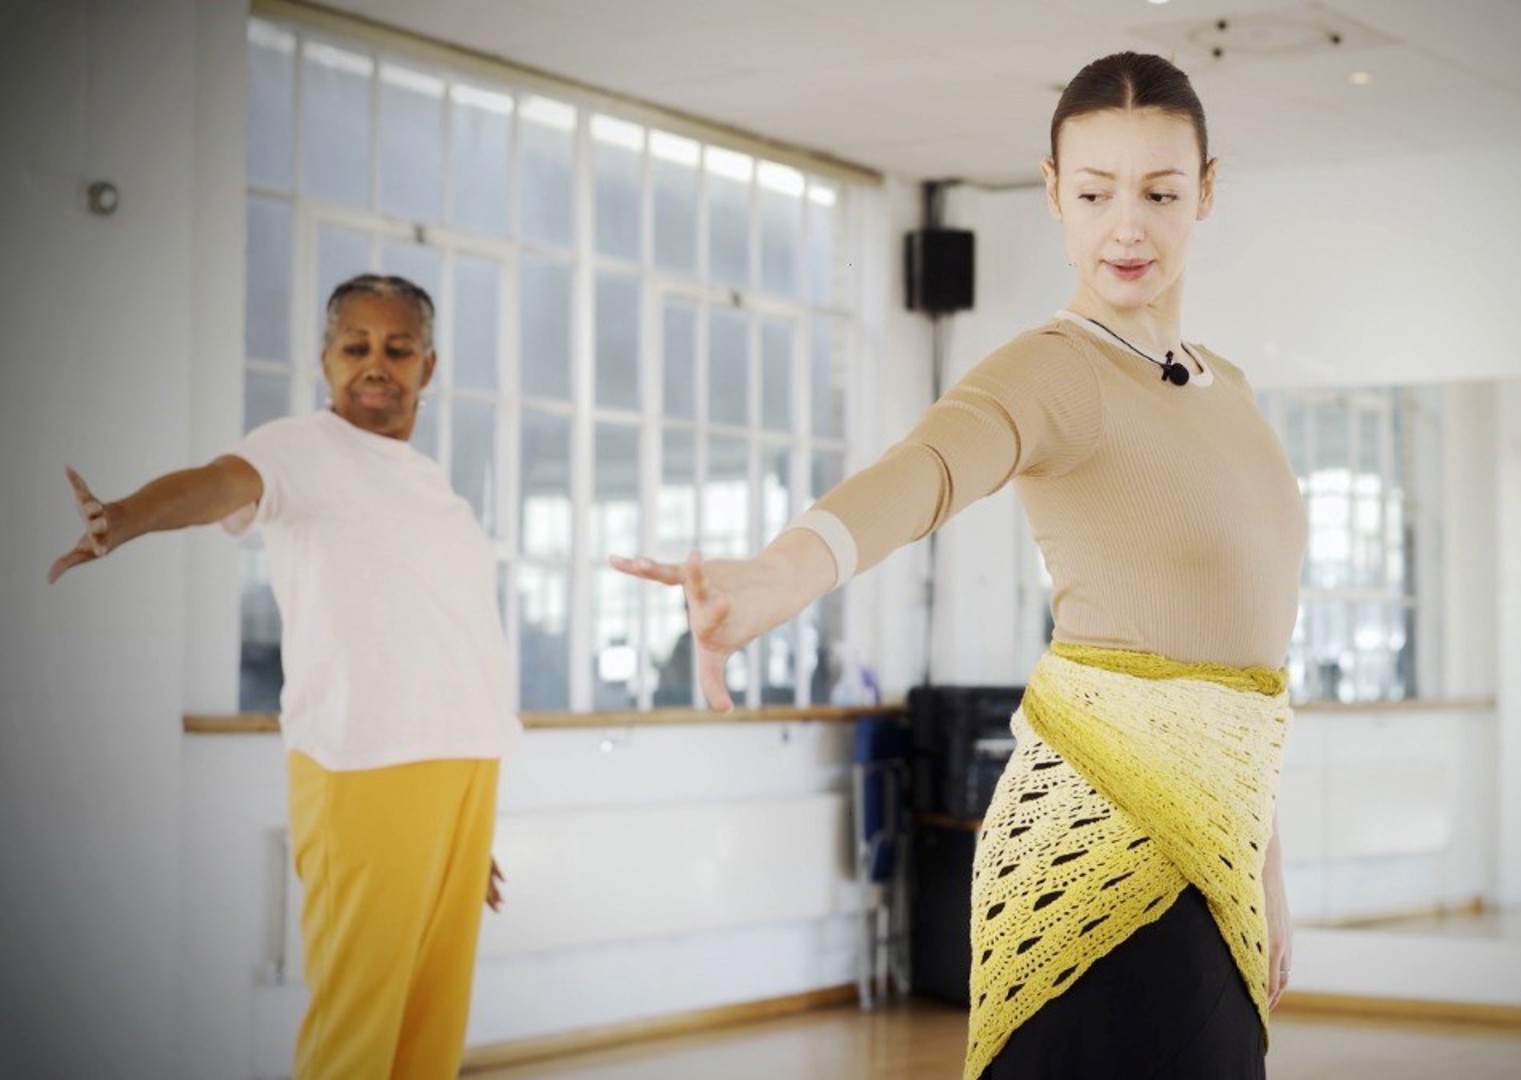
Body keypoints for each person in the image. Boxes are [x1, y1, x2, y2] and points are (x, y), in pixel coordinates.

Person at [612, 51, 1306, 1080]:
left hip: (1218, 853)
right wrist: (779, 574)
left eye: (1161, 192)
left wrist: (1263, 865)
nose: (1128, 225)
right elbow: (925, 470)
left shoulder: (1230, 388)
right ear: (1052, 195)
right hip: (1087, 848)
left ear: (1205, 191)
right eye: (1094, 192)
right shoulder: (1054, 365)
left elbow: (1245, 667)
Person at [49, 274, 517, 1079]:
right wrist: (126, 518)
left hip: (460, 779)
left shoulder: (432, 483)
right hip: (362, 774)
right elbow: (218, 485)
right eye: (356, 346)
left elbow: (449, 637)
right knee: (357, 1037)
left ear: (428, 368)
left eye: (397, 348)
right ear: (325, 360)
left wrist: (458, 828)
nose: (377, 364)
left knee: (429, 1036)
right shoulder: (296, 447)